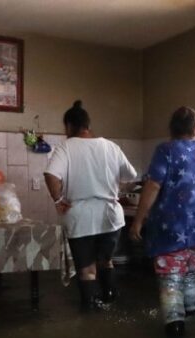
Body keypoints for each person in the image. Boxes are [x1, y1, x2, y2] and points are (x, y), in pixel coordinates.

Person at [129, 106, 195, 337]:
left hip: (170, 230)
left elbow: (153, 186)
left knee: (172, 276)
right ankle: (192, 315)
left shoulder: (166, 151)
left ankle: (175, 326)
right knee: (191, 274)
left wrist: (138, 221)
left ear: (171, 129)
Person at [45, 100, 138, 311]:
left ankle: (90, 308)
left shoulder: (66, 147)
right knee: (106, 260)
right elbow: (131, 176)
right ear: (88, 125)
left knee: (87, 269)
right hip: (110, 215)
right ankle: (110, 298)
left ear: (69, 126)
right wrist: (112, 189)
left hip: (80, 217)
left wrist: (58, 200)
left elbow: (51, 175)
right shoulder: (111, 146)